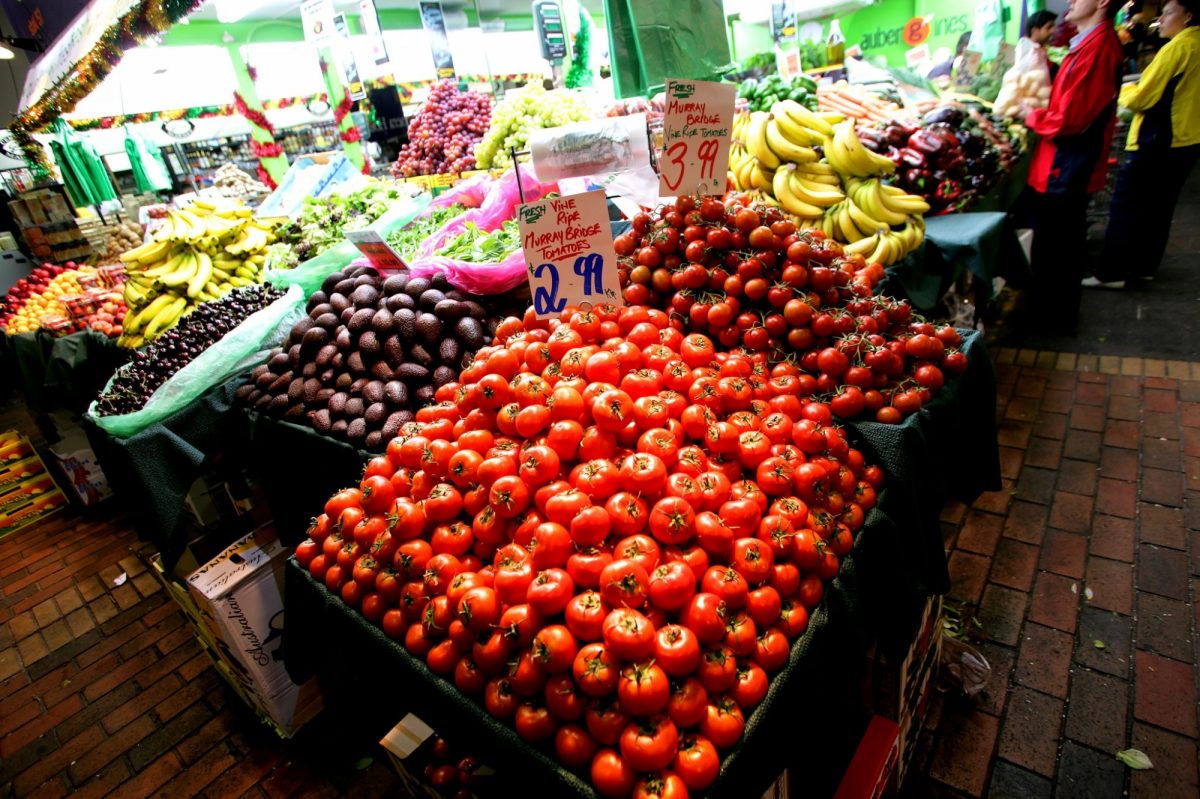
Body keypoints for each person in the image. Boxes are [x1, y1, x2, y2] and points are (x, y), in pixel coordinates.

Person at [1023, 0, 1125, 332]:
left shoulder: (1098, 49)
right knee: (1055, 246)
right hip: (1061, 164)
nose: (1070, 1)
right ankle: (1050, 315)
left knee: (1057, 249)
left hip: (1066, 167)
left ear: (1101, 3)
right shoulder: (1088, 45)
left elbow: (1072, 119)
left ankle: (1052, 321)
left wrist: (1031, 115)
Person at [1084, 0, 1200, 288]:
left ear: (1188, 16)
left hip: (1158, 139)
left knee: (1127, 205)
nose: (1160, 18)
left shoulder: (1178, 48)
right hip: (1187, 140)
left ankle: (1110, 273)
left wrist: (1123, 93)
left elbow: (1142, 98)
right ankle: (1144, 268)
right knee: (1161, 208)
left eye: (1168, 12)